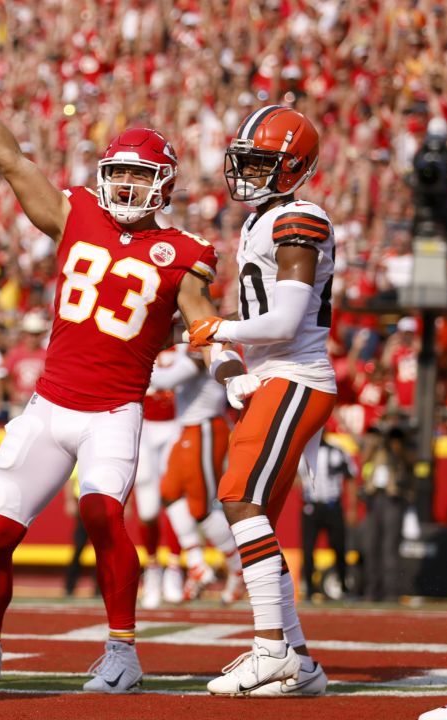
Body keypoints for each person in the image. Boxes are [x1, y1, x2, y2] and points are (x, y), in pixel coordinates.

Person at [0, 33, 233, 694]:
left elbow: (203, 322)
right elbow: (10, 160)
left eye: (139, 173)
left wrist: (230, 369)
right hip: (50, 404)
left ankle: (123, 652)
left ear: (163, 183)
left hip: (112, 411)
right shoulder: (76, 215)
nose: (126, 183)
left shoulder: (181, 251)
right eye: (119, 171)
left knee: (103, 515)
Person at [186, 105, 337, 697]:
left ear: (294, 168)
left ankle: (270, 647)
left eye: (260, 162)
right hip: (274, 379)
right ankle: (299, 661)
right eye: (244, 160)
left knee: (240, 499)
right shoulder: (265, 219)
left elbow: (287, 319)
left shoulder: (301, 217)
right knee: (257, 517)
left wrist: (216, 330)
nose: (247, 171)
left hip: (296, 376)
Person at [151, 343, 245, 604]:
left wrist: (132, 363)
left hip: (205, 427)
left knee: (200, 508)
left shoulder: (207, 344)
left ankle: (238, 569)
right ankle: (196, 562)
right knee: (169, 492)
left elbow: (167, 379)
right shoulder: (188, 341)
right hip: (187, 428)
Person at [133, 349, 184, 609]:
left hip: (178, 422)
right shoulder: (140, 330)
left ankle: (174, 566)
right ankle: (152, 567)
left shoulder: (187, 340)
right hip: (143, 425)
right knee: (148, 508)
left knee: (176, 499)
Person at [360, 425, 414, 602]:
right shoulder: (375, 448)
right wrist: (373, 444)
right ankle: (371, 590)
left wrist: (397, 445)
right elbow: (363, 460)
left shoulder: (403, 445)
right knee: (371, 545)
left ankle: (391, 592)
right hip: (374, 497)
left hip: (393, 499)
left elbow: (409, 462)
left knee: (390, 547)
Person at [300, 435, 356, 600]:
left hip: (333, 506)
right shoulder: (302, 452)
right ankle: (309, 589)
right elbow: (293, 477)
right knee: (308, 549)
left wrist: (351, 507)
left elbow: (350, 477)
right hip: (311, 506)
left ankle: (343, 587)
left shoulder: (337, 451)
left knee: (339, 547)